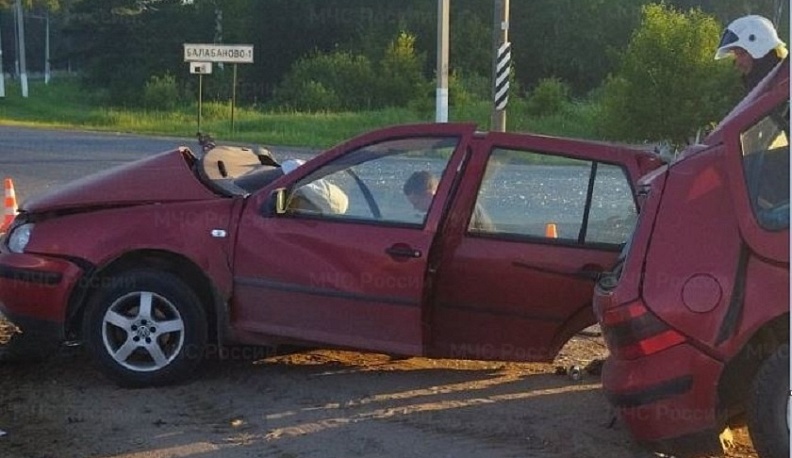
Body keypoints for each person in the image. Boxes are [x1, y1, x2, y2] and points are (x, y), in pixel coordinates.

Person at [714, 15, 788, 92]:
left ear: (761, 52)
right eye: (735, 56)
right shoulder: (772, 91)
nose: (737, 64)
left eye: (741, 54)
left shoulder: (784, 90)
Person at [403, 170, 494, 231]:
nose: (415, 208)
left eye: (416, 203)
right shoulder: (449, 204)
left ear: (429, 195)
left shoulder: (457, 208)